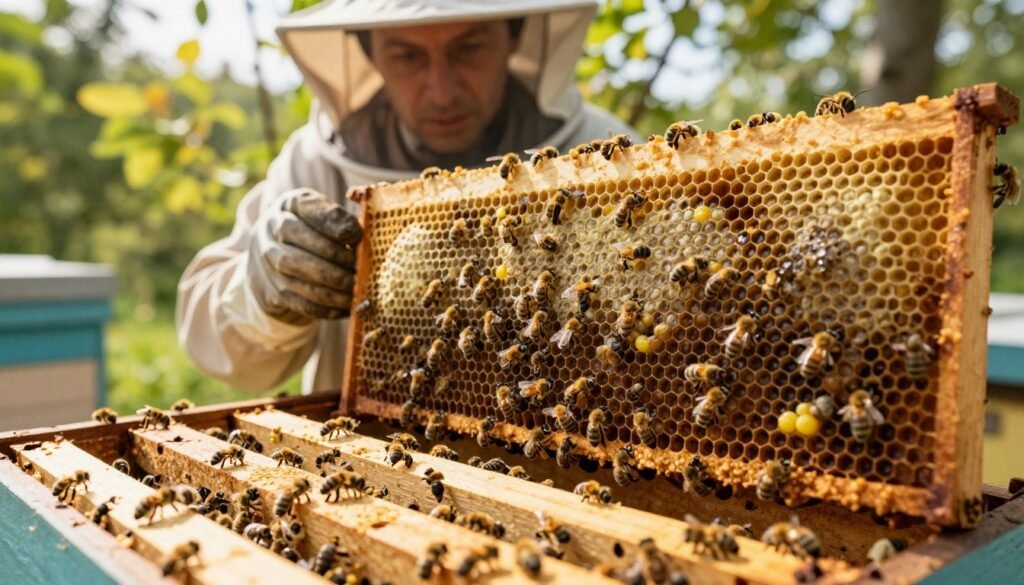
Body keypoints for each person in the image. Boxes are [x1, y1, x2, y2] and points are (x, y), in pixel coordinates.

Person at [177, 0, 637, 393]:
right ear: (370, 53)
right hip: (364, 478)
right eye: (407, 56)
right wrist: (262, 291)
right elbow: (220, 349)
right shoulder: (315, 165)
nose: (441, 91)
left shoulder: (607, 153)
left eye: (469, 48)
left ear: (514, 36)